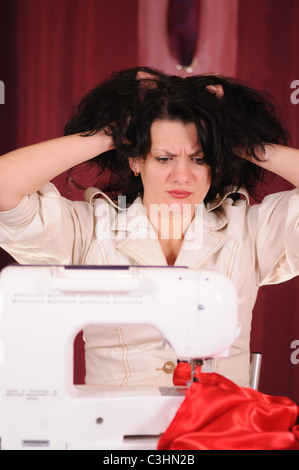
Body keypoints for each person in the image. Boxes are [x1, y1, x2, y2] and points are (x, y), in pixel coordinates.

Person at [0, 67, 298, 388]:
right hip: (111, 430)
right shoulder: (89, 230)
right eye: (164, 158)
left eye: (199, 159)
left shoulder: (248, 230)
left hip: (220, 432)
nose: (182, 176)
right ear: (136, 160)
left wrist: (241, 142)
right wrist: (113, 133)